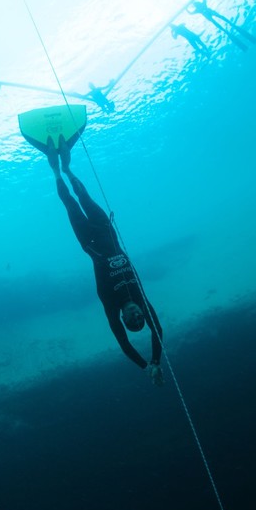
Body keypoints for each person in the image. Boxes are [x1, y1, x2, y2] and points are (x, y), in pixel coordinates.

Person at [46, 135, 164, 386]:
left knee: (70, 203)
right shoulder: (140, 300)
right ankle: (68, 167)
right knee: (86, 197)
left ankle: (56, 170)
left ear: (123, 319)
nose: (135, 314)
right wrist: (156, 361)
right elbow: (158, 331)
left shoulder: (111, 308)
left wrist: (146, 367)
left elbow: (124, 344)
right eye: (140, 318)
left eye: (131, 319)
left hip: (88, 240)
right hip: (105, 229)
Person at [187, 0, 256, 51]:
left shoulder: (199, 8)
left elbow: (191, 12)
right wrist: (187, 8)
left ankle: (228, 30)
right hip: (211, 14)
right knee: (222, 21)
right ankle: (229, 28)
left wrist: (187, 8)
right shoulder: (200, 6)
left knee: (221, 23)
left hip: (210, 14)